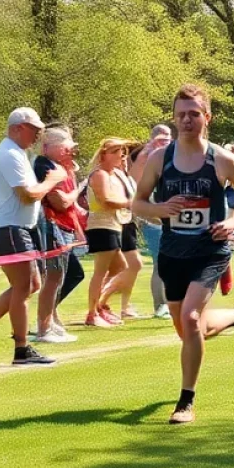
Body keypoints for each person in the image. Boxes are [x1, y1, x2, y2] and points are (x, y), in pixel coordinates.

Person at [133, 85, 234, 424]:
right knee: (191, 329)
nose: (187, 120)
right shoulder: (160, 159)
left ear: (207, 117)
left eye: (194, 114)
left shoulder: (222, 159)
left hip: (209, 252)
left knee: (191, 320)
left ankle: (185, 402)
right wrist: (161, 208)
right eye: (181, 115)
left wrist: (232, 220)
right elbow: (138, 202)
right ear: (174, 119)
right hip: (172, 252)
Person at [0, 107, 67, 365]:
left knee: (31, 284)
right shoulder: (9, 153)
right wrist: (52, 180)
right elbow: (27, 194)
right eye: (33, 130)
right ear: (18, 128)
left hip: (14, 227)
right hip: (8, 228)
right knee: (24, 287)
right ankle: (21, 349)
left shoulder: (16, 152)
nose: (37, 135)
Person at [33, 127, 82, 343]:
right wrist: (77, 191)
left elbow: (68, 203)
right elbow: (59, 202)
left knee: (60, 276)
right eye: (65, 147)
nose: (70, 152)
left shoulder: (62, 168)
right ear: (47, 147)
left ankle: (51, 320)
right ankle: (44, 328)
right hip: (52, 224)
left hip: (64, 227)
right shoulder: (44, 165)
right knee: (53, 277)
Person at [84, 139, 134, 329]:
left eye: (122, 151)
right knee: (100, 271)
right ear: (104, 154)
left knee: (120, 266)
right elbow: (106, 200)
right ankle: (92, 312)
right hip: (101, 225)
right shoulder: (100, 174)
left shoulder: (115, 175)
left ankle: (100, 304)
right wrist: (130, 203)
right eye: (115, 151)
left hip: (113, 225)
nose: (120, 155)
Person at [131, 125, 173, 318]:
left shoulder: (172, 156)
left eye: (169, 139)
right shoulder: (144, 157)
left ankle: (172, 302)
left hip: (170, 217)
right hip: (152, 218)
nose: (165, 143)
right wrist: (147, 151)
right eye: (161, 139)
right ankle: (160, 305)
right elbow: (134, 181)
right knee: (160, 262)